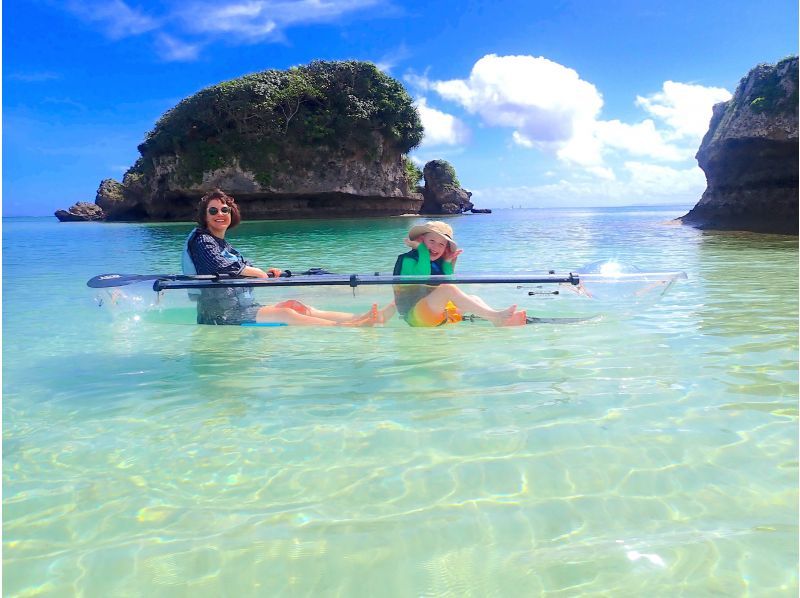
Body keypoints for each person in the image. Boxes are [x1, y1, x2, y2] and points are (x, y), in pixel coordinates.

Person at [185, 189, 388, 326]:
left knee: (295, 305)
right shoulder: (202, 240)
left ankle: (362, 318)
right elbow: (219, 264)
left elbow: (241, 267)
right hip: (221, 316)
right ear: (204, 216)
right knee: (286, 314)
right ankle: (352, 327)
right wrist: (255, 272)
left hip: (240, 307)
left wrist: (267, 273)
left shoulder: (223, 244)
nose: (220, 214)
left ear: (231, 213)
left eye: (224, 209)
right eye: (213, 210)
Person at [392, 221, 527, 326]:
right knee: (447, 289)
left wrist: (447, 263)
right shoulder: (407, 260)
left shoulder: (438, 262)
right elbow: (423, 276)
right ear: (421, 241)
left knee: (474, 299)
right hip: (415, 317)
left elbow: (450, 285)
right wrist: (422, 250)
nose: (436, 247)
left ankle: (495, 320)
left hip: (439, 316)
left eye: (441, 244)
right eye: (431, 241)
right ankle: (496, 316)